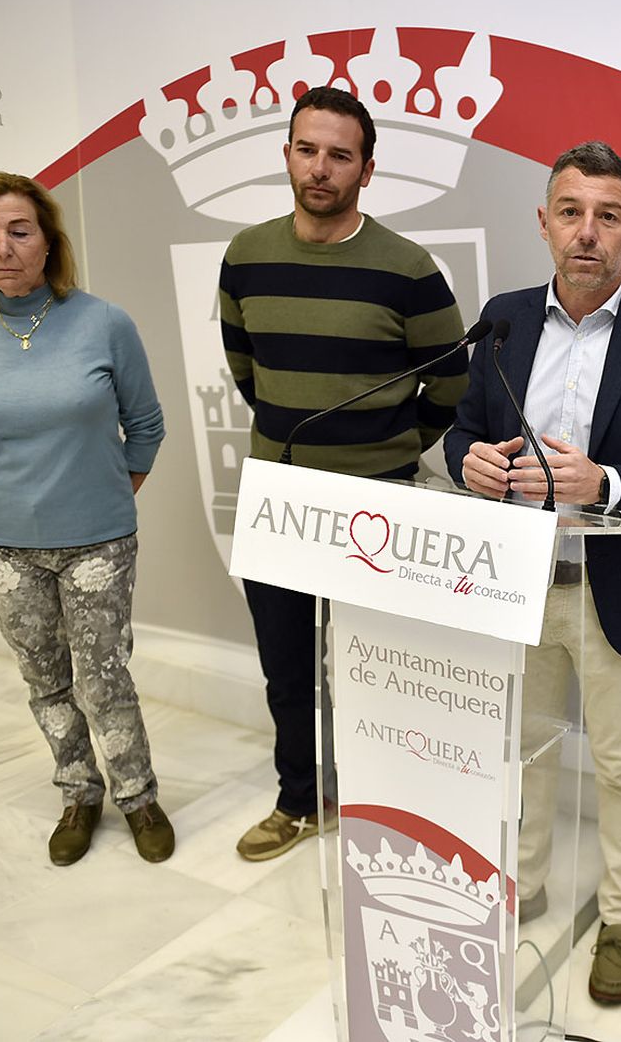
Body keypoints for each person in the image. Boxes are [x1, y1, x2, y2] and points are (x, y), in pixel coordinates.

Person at [445, 141, 621, 1005]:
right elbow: (461, 430)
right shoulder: (504, 317)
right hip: (515, 582)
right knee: (523, 755)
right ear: (543, 222)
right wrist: (469, 466)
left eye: (608, 216)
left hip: (618, 592)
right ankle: (522, 888)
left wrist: (604, 483)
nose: (588, 232)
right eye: (571, 211)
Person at [220, 86, 469, 861]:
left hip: (378, 506)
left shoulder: (408, 269)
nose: (319, 168)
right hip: (280, 501)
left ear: (366, 170)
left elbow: (452, 385)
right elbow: (247, 371)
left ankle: (385, 811)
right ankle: (302, 800)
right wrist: (297, 440)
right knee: (287, 667)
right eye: (306, 149)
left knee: (379, 671)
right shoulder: (246, 256)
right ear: (286, 154)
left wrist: (384, 452)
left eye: (339, 154)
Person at [0, 171, 171, 866]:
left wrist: (99, 491)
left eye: (19, 230)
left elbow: (147, 426)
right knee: (44, 677)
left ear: (48, 241)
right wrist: (6, 495)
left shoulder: (104, 322)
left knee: (104, 675)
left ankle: (138, 795)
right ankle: (79, 792)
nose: (2, 247)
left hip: (97, 537)